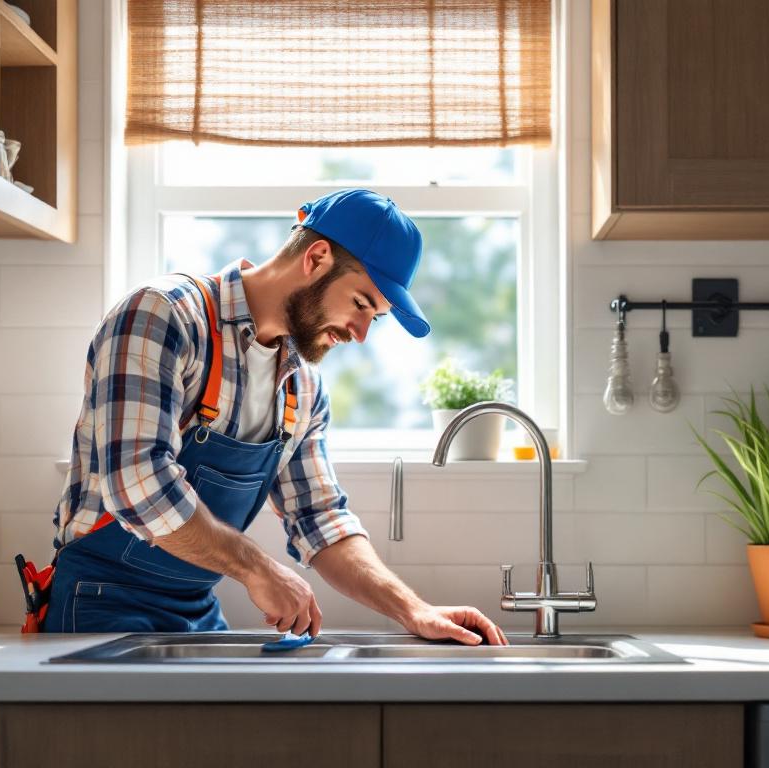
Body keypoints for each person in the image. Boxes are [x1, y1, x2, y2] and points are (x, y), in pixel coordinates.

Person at [42, 188, 506, 646]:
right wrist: (256, 568)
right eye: (362, 304)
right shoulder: (163, 315)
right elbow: (135, 480)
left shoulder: (301, 387)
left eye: (375, 318)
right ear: (317, 257)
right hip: (98, 605)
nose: (361, 334)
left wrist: (415, 611)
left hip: (196, 610)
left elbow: (318, 517)